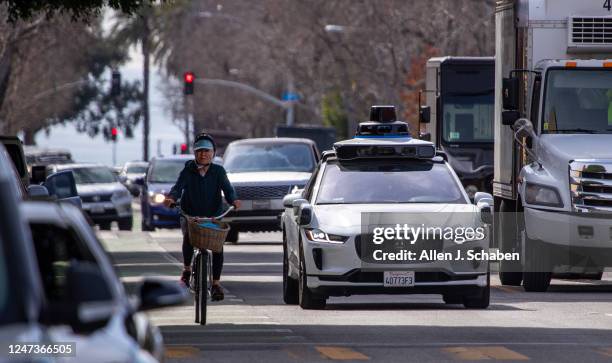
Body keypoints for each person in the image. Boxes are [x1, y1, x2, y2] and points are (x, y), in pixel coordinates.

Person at [163, 133, 241, 301]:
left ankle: (215, 283)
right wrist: (171, 198)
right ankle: (186, 270)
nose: (203, 154)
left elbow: (228, 189)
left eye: (207, 151)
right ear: (194, 153)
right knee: (188, 238)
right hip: (190, 214)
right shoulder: (188, 169)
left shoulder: (218, 171)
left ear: (213, 153)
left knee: (218, 246)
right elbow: (178, 187)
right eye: (199, 151)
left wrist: (233, 200)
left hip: (213, 215)